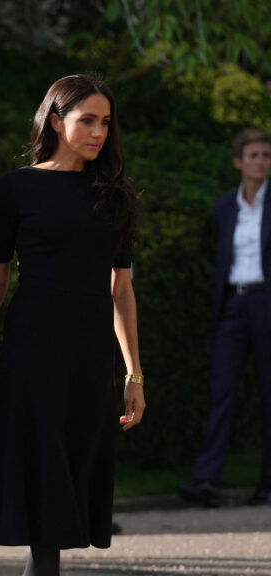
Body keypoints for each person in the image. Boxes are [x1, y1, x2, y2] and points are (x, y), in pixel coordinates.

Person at [0, 74, 146, 576]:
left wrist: (134, 374)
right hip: (33, 344)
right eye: (88, 120)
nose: (99, 132)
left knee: (72, 459)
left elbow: (121, 290)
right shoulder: (17, 188)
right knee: (40, 460)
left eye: (106, 122)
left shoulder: (115, 195)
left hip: (89, 352)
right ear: (56, 120)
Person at [179, 128, 271, 508]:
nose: (260, 161)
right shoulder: (223, 208)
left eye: (266, 155)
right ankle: (206, 480)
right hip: (233, 305)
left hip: (267, 303)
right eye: (253, 155)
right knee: (221, 392)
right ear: (238, 162)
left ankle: (268, 486)